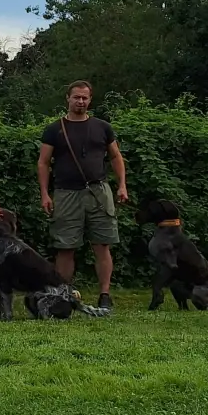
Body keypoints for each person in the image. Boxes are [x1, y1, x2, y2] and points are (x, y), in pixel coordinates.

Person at [39, 80, 128, 312]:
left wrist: (122, 186)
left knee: (102, 244)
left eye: (84, 98)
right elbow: (43, 162)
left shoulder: (103, 127)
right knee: (65, 246)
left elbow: (116, 157)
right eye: (76, 97)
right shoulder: (54, 129)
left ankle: (105, 294)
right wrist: (45, 194)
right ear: (67, 98)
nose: (80, 101)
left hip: (98, 191)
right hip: (66, 192)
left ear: (90, 100)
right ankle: (62, 294)